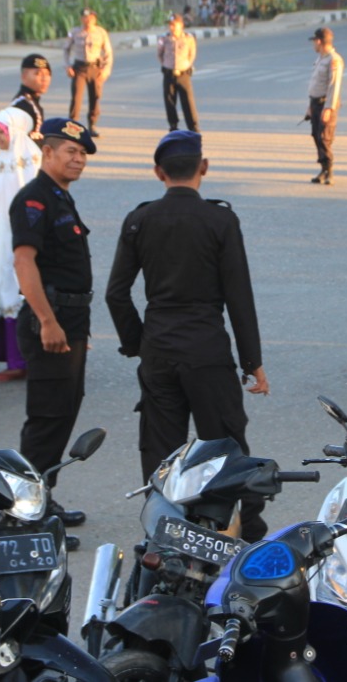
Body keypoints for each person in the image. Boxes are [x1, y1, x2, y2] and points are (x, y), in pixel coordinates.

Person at [105, 130, 271, 540]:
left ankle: (163, 533)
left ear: (159, 172)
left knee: (161, 450)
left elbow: (116, 293)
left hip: (158, 349)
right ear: (204, 168)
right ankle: (243, 529)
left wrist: (137, 343)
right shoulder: (221, 220)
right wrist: (252, 363)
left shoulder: (139, 220)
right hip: (207, 349)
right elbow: (239, 296)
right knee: (225, 445)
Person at [9, 117, 98, 537]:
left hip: (71, 322)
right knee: (46, 418)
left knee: (63, 412)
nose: (78, 159)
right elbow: (24, 262)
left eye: (82, 154)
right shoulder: (34, 199)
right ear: (47, 153)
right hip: (51, 322)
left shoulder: (61, 197)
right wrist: (47, 320)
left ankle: (43, 496)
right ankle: (27, 511)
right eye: (70, 151)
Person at [0, 106, 41, 383]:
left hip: (21, 239)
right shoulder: (2, 158)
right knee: (4, 291)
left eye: (1, 132)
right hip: (1, 238)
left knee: (20, 293)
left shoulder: (31, 158)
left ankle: (25, 361)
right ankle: (12, 359)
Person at [63, 9, 113, 135]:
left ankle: (92, 125)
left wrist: (106, 70)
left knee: (95, 97)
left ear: (95, 19)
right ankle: (73, 126)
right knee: (76, 98)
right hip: (79, 68)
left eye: (90, 18)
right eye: (85, 18)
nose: (88, 21)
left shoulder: (101, 33)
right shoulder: (74, 32)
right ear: (81, 19)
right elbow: (66, 49)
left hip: (95, 68)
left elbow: (108, 53)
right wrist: (67, 66)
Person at [306, 27, 344, 185]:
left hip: (325, 104)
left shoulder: (334, 60)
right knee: (316, 135)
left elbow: (334, 85)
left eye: (314, 41)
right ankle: (323, 169)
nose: (313, 45)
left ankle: (330, 170)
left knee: (325, 138)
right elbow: (315, 84)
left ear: (319, 41)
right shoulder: (321, 58)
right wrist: (309, 106)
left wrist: (329, 108)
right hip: (315, 103)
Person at [157, 12, 199, 132]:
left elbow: (192, 54)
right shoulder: (164, 39)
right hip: (169, 73)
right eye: (170, 25)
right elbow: (159, 54)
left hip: (183, 74)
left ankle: (193, 128)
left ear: (181, 25)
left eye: (174, 25)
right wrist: (166, 65)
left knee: (188, 102)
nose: (171, 27)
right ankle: (173, 126)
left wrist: (185, 65)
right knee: (169, 101)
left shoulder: (188, 38)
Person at [11, 53, 52, 138]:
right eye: (38, 74)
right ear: (24, 76)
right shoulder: (23, 105)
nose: (44, 79)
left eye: (47, 74)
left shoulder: (31, 102)